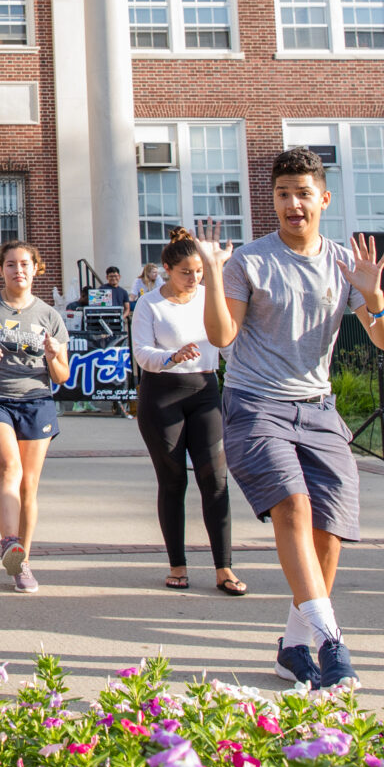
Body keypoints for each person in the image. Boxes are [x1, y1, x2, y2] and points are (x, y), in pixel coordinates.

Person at [193, 145, 384, 691]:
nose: (292, 204)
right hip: (255, 404)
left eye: (303, 194)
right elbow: (221, 337)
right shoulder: (249, 262)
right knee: (293, 506)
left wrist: (374, 298)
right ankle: (331, 640)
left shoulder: (342, 262)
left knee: (330, 530)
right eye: (283, 194)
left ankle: (293, 645)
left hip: (319, 408)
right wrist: (214, 273)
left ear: (323, 198)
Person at [130, 228, 243, 596]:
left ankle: (224, 567)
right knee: (173, 479)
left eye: (199, 271)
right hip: (162, 394)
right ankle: (177, 564)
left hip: (205, 392)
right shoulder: (150, 304)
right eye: (185, 272)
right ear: (166, 269)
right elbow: (142, 353)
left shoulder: (212, 298)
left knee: (215, 479)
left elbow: (228, 344)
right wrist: (171, 356)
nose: (194, 278)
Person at [0, 240, 70, 593]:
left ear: (35, 268)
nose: (18, 270)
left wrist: (55, 354)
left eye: (25, 264)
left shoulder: (49, 316)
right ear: (1, 270)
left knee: (29, 485)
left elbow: (61, 377)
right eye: (11, 264)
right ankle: (10, 541)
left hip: (37, 400)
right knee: (8, 468)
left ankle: (22, 562)